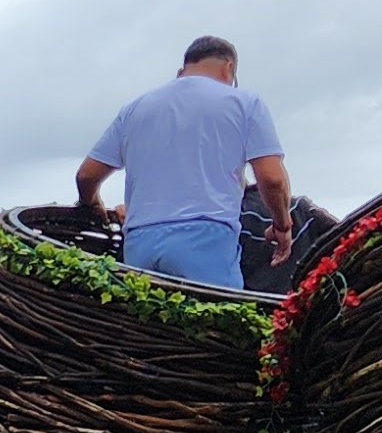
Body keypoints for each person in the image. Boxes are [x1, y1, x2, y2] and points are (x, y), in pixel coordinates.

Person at [75, 38, 296, 289]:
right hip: (205, 239)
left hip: (139, 243)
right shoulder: (245, 103)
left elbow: (86, 176)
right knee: (214, 313)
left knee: (147, 313)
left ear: (181, 72)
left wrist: (92, 204)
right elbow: (272, 180)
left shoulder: (134, 109)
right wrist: (282, 225)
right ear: (228, 69)